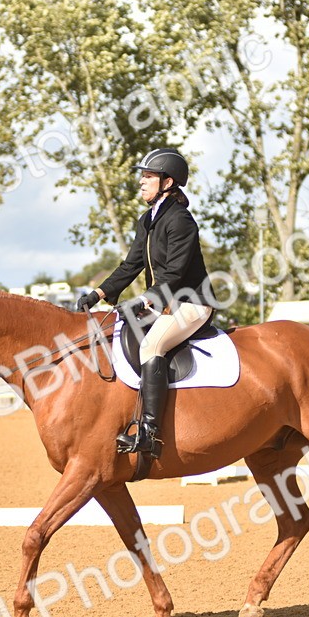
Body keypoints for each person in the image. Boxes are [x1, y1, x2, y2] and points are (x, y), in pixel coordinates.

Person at [76, 148, 213, 458]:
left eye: (148, 176)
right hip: (164, 302)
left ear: (167, 182)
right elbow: (131, 264)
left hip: (191, 302)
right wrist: (98, 294)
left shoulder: (181, 221)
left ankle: (150, 432)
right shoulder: (148, 219)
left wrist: (144, 301)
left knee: (152, 346)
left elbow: (174, 274)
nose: (141, 181)